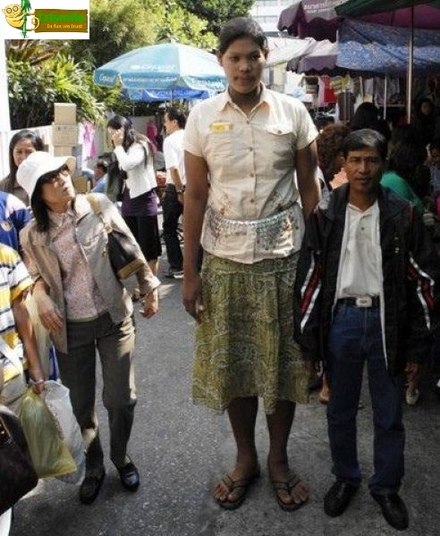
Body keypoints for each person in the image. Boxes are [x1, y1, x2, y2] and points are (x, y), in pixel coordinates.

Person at [182, 17, 320, 511]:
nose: (244, 66)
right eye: (234, 57)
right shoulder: (200, 118)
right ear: (222, 61)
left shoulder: (294, 114)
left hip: (284, 263)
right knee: (237, 369)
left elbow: (310, 191)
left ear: (266, 57)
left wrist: (317, 264)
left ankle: (279, 459)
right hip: (224, 264)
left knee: (281, 369)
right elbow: (194, 195)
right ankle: (247, 460)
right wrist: (191, 272)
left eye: (253, 56)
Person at [294, 129, 437, 531]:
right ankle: (346, 477)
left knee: (389, 414)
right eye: (355, 159)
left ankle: (387, 487)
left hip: (385, 321)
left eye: (371, 160)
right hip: (342, 322)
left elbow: (424, 281)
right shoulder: (326, 213)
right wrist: (309, 341)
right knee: (339, 410)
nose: (362, 168)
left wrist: (418, 348)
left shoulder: (401, 215)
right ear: (342, 162)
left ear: (383, 164)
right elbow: (310, 278)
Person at [16, 151, 161, 505]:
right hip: (69, 329)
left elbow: (131, 246)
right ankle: (94, 465)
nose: (61, 179)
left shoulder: (98, 206)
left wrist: (149, 287)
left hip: (113, 317)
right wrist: (39, 292)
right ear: (37, 194)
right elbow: (32, 273)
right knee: (81, 406)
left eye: (61, 171)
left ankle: (121, 457)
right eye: (49, 179)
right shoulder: (31, 234)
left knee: (121, 399)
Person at [0, 243, 45, 535]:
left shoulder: (6, 256)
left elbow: (21, 313)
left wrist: (36, 366)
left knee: (5, 456)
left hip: (9, 377)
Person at [107, 116, 162, 282]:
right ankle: (142, 284)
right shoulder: (123, 147)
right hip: (129, 201)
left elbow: (127, 164)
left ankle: (152, 286)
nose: (112, 137)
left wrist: (117, 147)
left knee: (149, 249)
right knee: (133, 246)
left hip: (145, 200)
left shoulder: (140, 145)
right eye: (110, 134)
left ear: (123, 130)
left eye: (113, 132)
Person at [162, 107, 186, 278]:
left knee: (169, 228)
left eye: (166, 121)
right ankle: (197, 264)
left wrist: (179, 191)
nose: (164, 125)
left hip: (176, 188)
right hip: (195, 186)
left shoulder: (170, 140)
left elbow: (174, 168)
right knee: (194, 228)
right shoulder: (192, 136)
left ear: (174, 122)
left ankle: (177, 265)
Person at [0, 129, 45, 205]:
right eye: (19, 152)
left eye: (28, 152)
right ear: (12, 154)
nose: (24, 157)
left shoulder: (50, 182)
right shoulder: (3, 187)